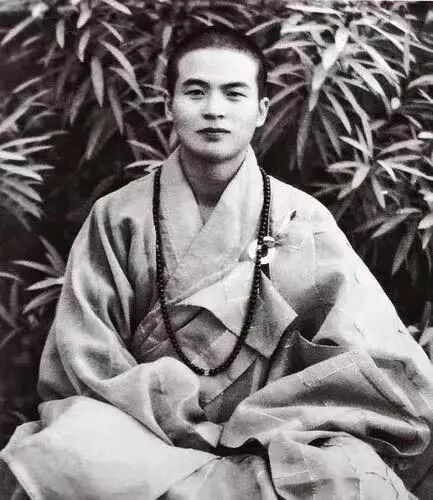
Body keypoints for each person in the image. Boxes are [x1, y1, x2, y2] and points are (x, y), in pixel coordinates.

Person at [1, 25, 433, 499]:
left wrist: (262, 420)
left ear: (261, 110)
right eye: (195, 91)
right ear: (168, 104)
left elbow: (364, 354)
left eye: (233, 93)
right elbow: (85, 355)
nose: (214, 109)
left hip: (267, 436)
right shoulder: (118, 215)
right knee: (56, 449)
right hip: (141, 432)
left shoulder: (300, 219)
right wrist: (177, 415)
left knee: (348, 475)